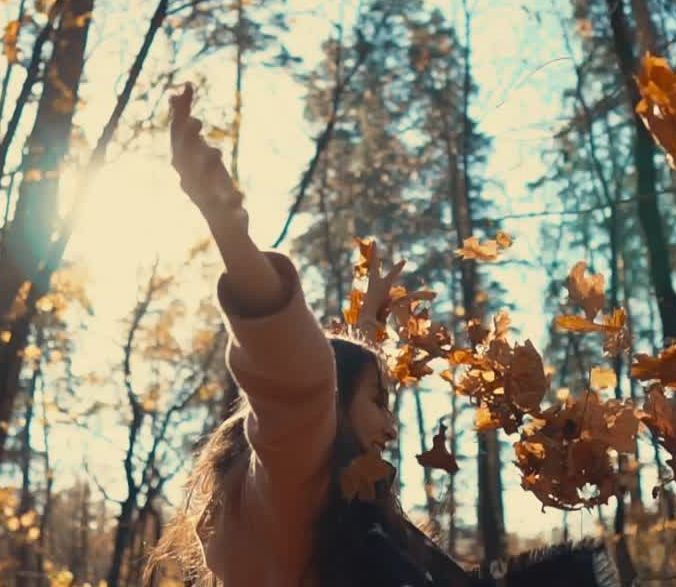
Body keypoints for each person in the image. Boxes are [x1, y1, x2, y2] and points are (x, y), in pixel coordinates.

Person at [147, 84, 618, 587]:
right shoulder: (292, 488)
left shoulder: (318, 507)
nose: (391, 428)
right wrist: (229, 230)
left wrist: (364, 329)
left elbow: (322, 385)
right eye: (377, 401)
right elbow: (298, 381)